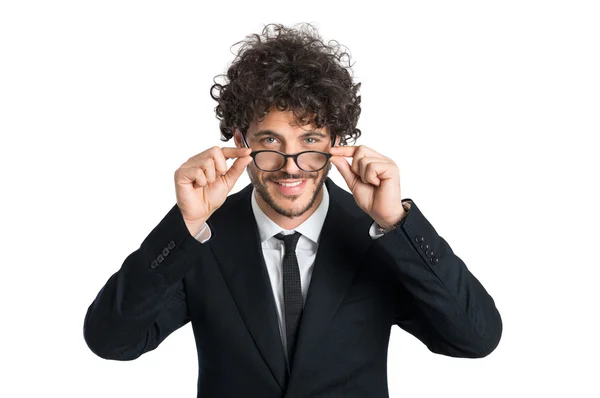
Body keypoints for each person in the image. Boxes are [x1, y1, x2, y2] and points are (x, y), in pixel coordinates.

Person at [83, 23, 502, 398]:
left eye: (310, 141)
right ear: (240, 140)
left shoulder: (378, 237)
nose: (290, 165)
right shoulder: (201, 239)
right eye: (269, 142)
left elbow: (476, 338)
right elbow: (111, 341)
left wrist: (397, 223)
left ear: (336, 139)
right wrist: (187, 224)